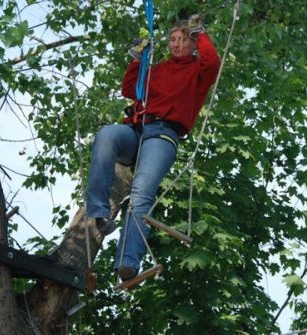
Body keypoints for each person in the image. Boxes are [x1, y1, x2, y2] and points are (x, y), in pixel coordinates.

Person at [85, 15, 221, 282]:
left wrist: (200, 33)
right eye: (172, 40)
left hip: (163, 135)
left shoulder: (198, 73)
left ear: (193, 45)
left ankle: (127, 262)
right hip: (137, 131)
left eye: (183, 40)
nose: (177, 44)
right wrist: (137, 59)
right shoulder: (158, 70)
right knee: (106, 135)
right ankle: (99, 212)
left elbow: (213, 62)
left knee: (141, 192)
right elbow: (130, 89)